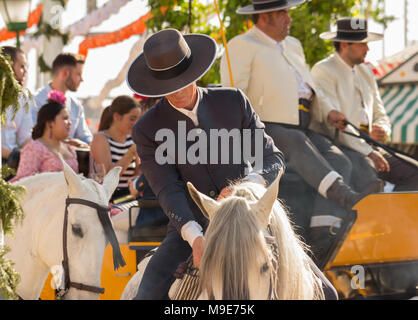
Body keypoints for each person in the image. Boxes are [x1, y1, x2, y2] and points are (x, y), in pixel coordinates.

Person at [128, 28, 337, 299]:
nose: (177, 91)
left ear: (194, 72)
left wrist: (244, 187)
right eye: (168, 87)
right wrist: (195, 237)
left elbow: (272, 159)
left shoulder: (234, 101)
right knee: (145, 295)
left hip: (251, 222)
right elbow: (168, 189)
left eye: (182, 81)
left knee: (327, 294)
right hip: (191, 228)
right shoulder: (146, 128)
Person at [220, 0, 382, 264]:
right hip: (262, 127)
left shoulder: (293, 45)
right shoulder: (241, 45)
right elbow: (232, 95)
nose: (289, 18)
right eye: (283, 12)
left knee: (339, 159)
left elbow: (310, 91)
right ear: (265, 17)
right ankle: (347, 197)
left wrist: (329, 112)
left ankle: (321, 238)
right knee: (295, 141)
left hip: (303, 125)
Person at [311, 17, 418, 192]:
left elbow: (381, 114)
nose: (368, 48)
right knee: (369, 175)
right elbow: (336, 125)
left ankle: (394, 217)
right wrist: (368, 150)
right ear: (345, 44)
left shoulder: (365, 71)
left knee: (414, 171)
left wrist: (383, 130)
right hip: (341, 148)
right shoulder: (324, 70)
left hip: (369, 147)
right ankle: (366, 218)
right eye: (362, 43)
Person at [11, 90, 78, 182]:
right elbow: (24, 184)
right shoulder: (34, 148)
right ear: (50, 123)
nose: (70, 123)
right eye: (65, 118)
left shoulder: (70, 150)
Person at [30, 52, 93, 147]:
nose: (82, 79)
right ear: (65, 73)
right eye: (78, 74)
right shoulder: (35, 100)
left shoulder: (76, 105)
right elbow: (32, 136)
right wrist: (67, 144)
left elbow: (86, 138)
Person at [90, 95, 142, 202]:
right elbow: (108, 176)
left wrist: (136, 178)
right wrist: (130, 153)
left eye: (138, 119)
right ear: (117, 117)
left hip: (128, 197)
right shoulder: (101, 138)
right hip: (106, 199)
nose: (136, 123)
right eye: (132, 119)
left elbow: (138, 172)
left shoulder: (132, 139)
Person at [1, 46, 33, 171]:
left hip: (13, 162)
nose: (25, 71)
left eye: (26, 67)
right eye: (21, 66)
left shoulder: (23, 99)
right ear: (7, 67)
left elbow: (25, 138)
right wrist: (14, 156)